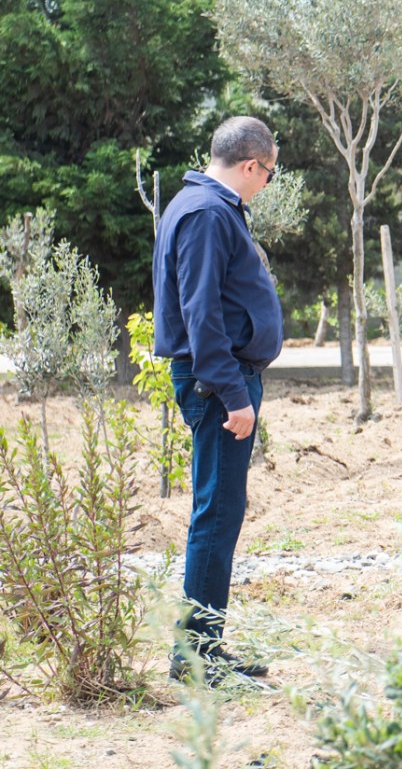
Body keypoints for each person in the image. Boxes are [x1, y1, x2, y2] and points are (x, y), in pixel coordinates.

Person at [153, 116, 284, 682]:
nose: (266, 186)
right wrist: (234, 393)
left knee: (219, 510)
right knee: (216, 513)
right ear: (251, 164)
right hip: (218, 382)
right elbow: (200, 314)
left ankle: (203, 648)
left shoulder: (201, 206)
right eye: (269, 175)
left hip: (220, 377)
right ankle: (196, 658)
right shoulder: (208, 213)